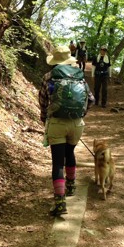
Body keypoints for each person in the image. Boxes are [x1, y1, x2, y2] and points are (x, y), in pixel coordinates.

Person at [39, 45, 95, 216]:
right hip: (77, 124)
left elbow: (42, 100)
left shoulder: (49, 77)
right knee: (70, 153)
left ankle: (60, 202)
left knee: (57, 162)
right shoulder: (79, 76)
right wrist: (80, 114)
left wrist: (44, 117)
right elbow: (91, 99)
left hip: (56, 123)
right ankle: (71, 187)